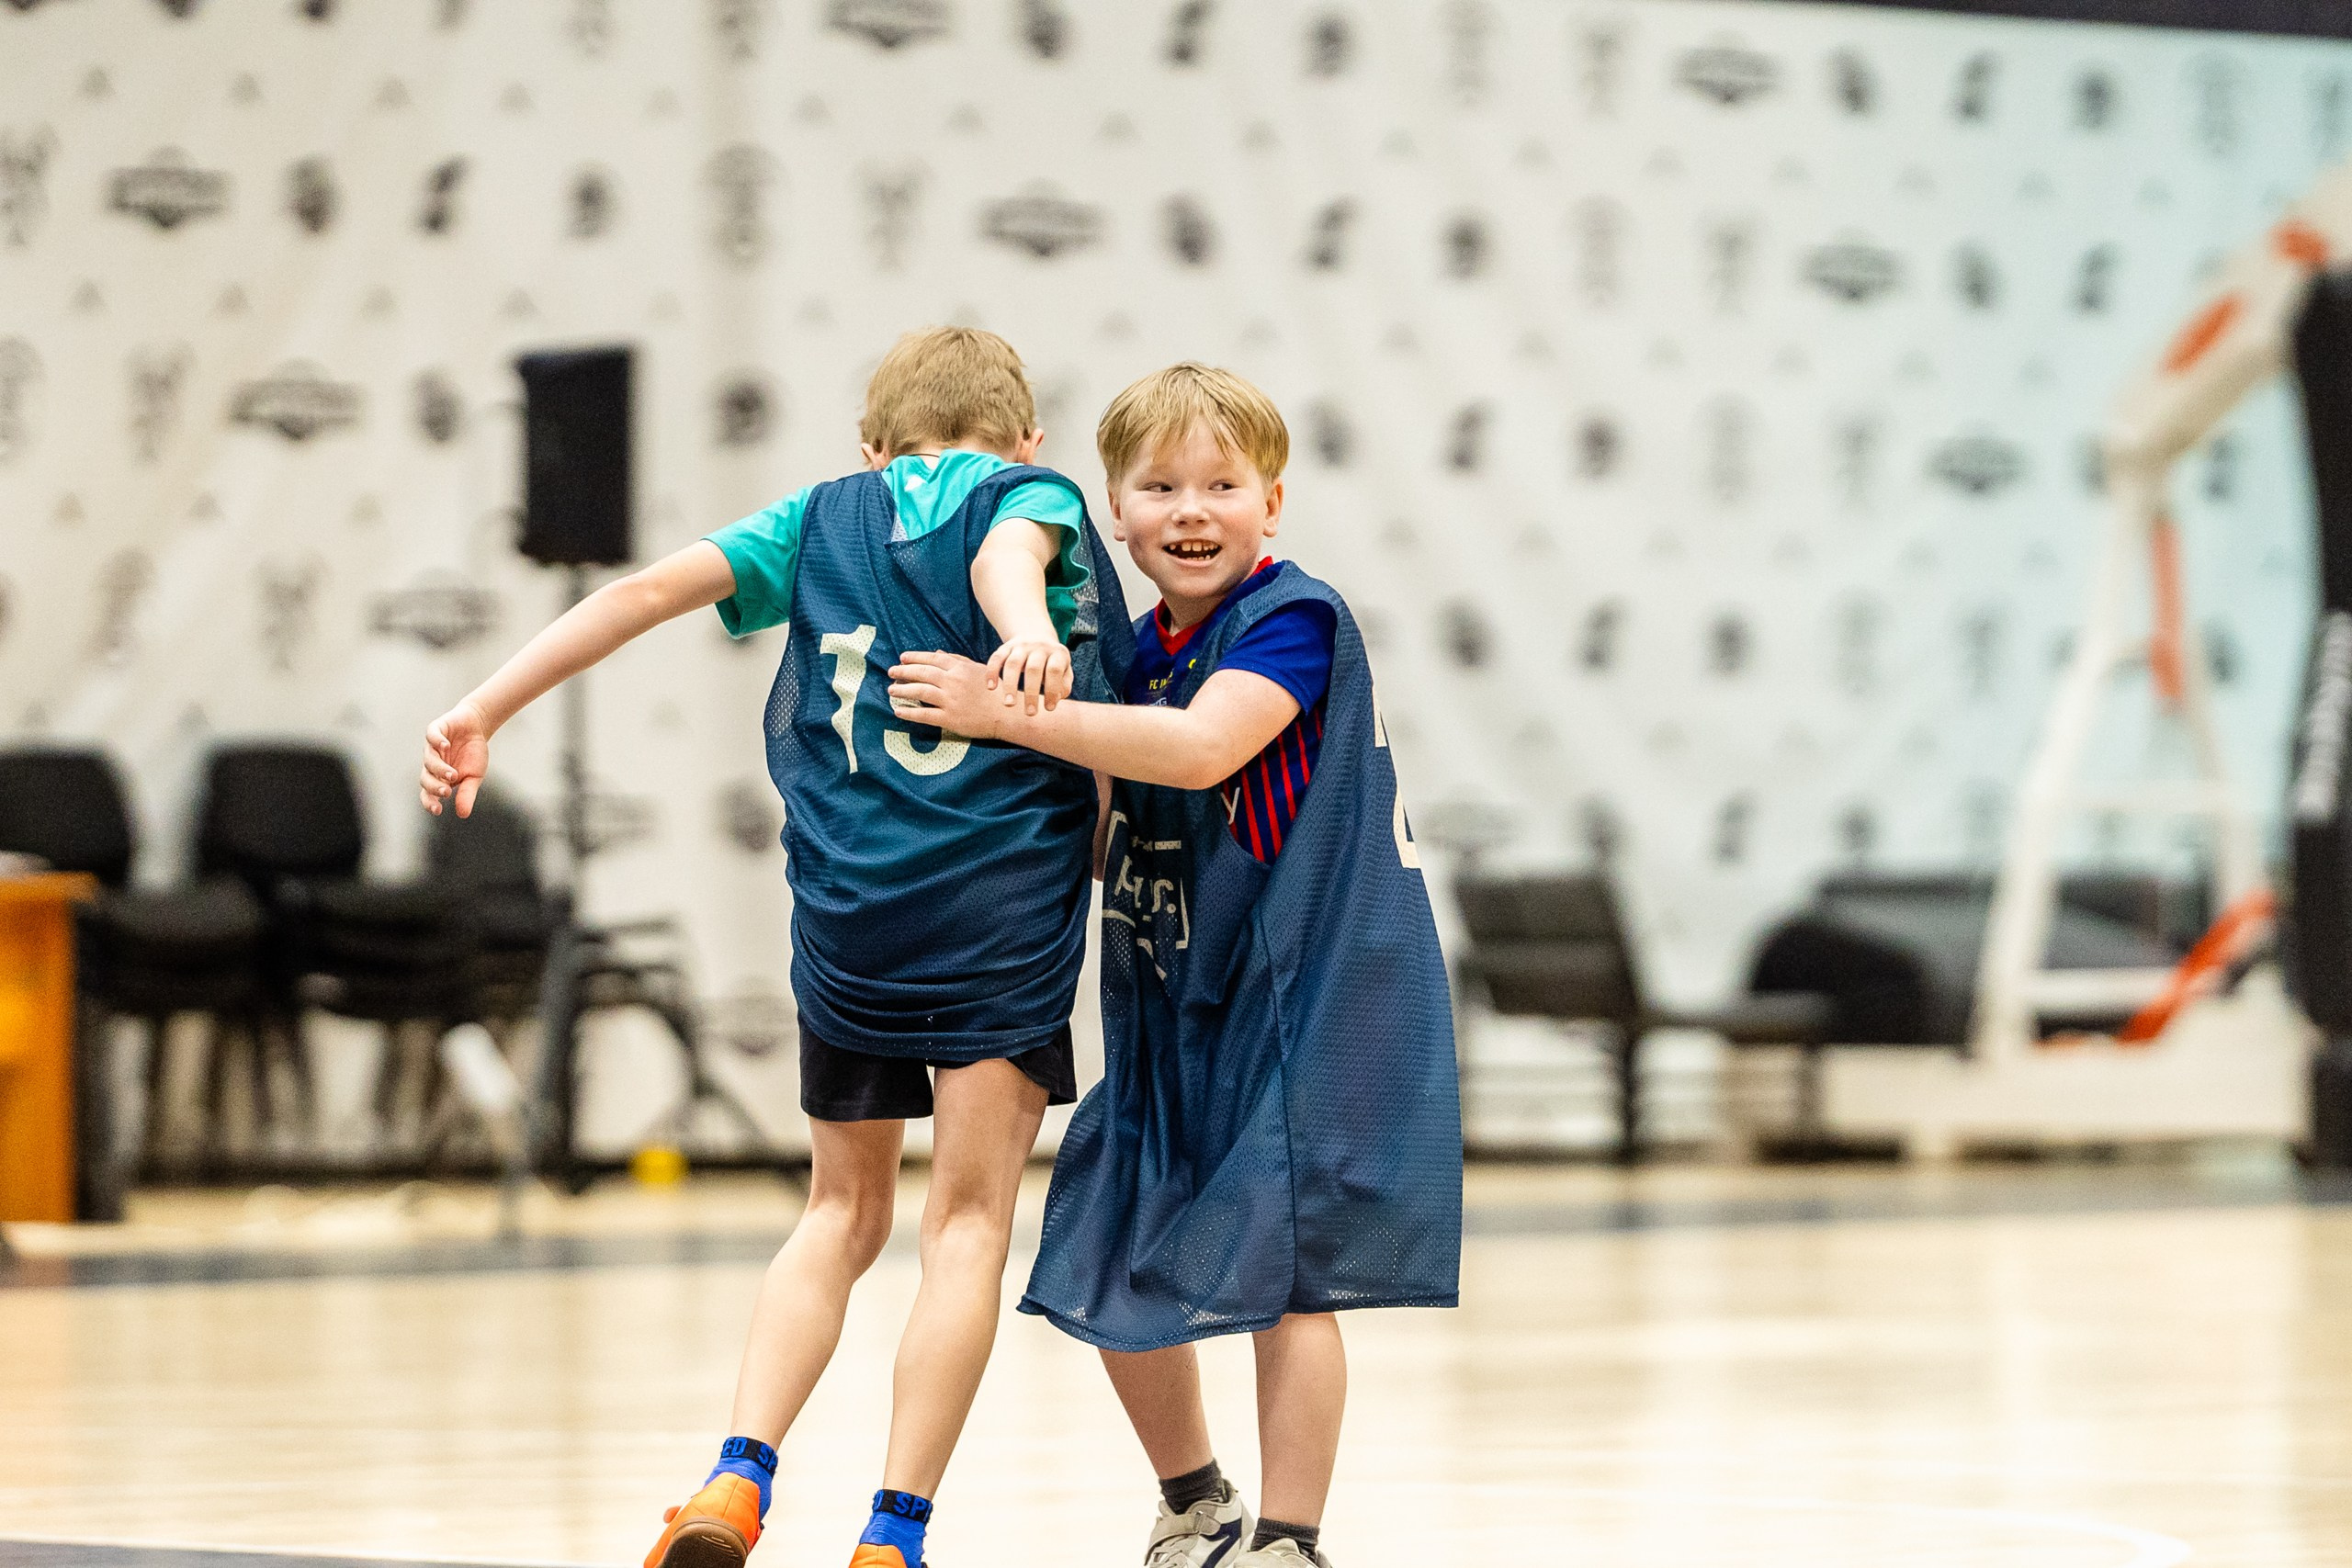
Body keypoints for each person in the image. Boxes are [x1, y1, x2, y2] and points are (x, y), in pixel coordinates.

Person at [418, 326, 1133, 1568]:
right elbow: (1010, 558)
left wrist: (484, 706)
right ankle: (892, 1535)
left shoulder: (817, 514)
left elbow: (638, 595)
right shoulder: (1031, 495)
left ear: (871, 445)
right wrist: (1023, 631)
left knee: (839, 1211)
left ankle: (737, 1475)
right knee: (965, 1225)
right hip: (994, 915)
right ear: (1025, 440)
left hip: (854, 919)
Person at [887, 364, 1460, 1568]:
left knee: (1292, 1279)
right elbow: (1101, 813)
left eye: (1222, 485)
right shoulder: (1126, 652)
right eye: (1158, 487)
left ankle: (1290, 1541)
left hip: (1296, 998)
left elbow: (1201, 751)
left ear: (1272, 502)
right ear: (1113, 509)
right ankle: (1197, 1502)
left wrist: (1000, 712)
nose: (1191, 510)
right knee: (1107, 1243)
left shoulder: (1296, 617)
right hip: (1169, 992)